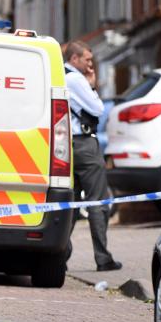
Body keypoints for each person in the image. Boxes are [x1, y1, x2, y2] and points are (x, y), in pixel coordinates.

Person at [64, 41, 121, 272]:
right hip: (86, 145)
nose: (90, 64)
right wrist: (92, 86)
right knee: (98, 202)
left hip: (69, 146)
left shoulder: (61, 75)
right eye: (87, 59)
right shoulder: (76, 79)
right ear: (75, 59)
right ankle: (103, 258)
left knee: (71, 206)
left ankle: (59, 255)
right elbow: (98, 109)